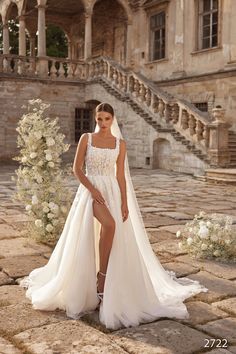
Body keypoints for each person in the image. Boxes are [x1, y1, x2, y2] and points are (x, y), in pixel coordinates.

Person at [20, 102, 208, 330]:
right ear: (95, 119)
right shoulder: (86, 139)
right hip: (91, 193)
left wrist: (125, 203)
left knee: (112, 229)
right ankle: (101, 277)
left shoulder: (120, 144)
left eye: (106, 119)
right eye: (99, 119)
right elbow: (77, 169)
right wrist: (93, 190)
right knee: (109, 226)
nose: (102, 123)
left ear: (113, 119)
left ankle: (105, 276)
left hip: (113, 192)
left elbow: (121, 177)